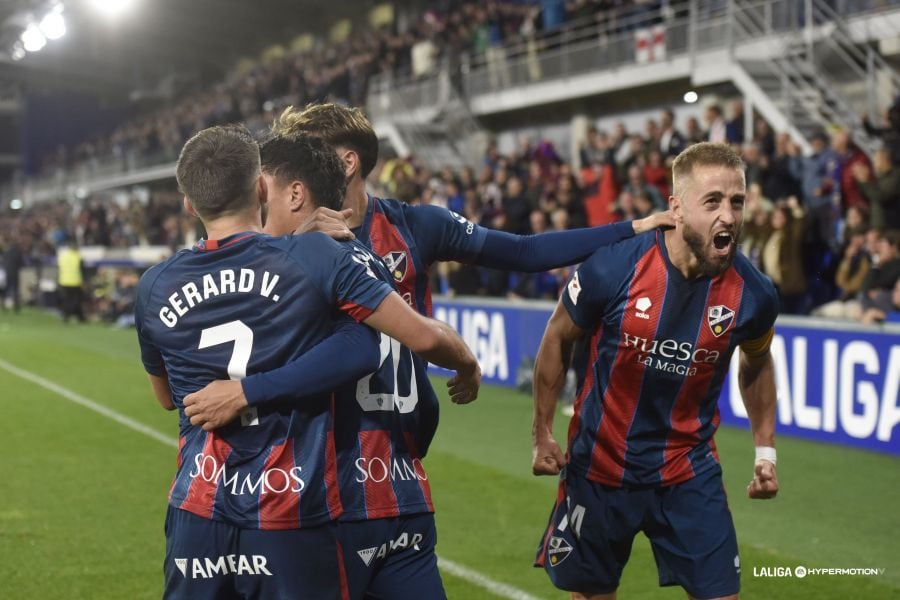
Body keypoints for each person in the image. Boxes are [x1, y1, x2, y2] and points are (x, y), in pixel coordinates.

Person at [186, 102, 675, 598]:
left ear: (347, 161)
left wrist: (629, 229)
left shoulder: (412, 226)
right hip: (308, 467)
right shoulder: (278, 242)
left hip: (391, 461)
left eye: (307, 148)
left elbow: (524, 251)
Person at [136, 126, 479, 600]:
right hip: (287, 502)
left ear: (189, 204)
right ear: (260, 187)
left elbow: (165, 398)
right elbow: (363, 348)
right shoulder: (311, 256)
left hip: (198, 504)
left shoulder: (154, 284)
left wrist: (234, 390)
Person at [532, 142, 780, 600]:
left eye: (737, 201)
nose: (728, 215)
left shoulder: (754, 294)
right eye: (712, 201)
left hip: (688, 470)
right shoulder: (616, 265)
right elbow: (557, 336)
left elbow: (757, 362)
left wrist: (766, 451)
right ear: (677, 208)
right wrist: (543, 431)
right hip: (601, 466)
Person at [57, 238, 84, 323]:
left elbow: (59, 268)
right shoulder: (78, 256)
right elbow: (82, 269)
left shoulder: (63, 256)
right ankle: (79, 317)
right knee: (76, 301)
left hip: (64, 281)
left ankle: (66, 316)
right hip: (75, 281)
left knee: (66, 301)